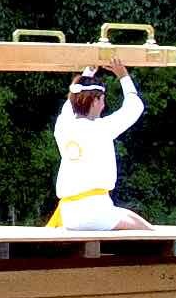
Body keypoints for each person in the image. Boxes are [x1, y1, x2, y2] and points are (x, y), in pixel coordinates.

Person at [48, 64, 151, 231]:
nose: (103, 105)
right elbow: (135, 107)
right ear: (95, 101)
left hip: (72, 212)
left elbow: (69, 105)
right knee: (149, 234)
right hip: (93, 212)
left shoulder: (63, 126)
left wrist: (87, 74)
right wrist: (123, 75)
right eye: (102, 99)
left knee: (136, 221)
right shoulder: (101, 129)